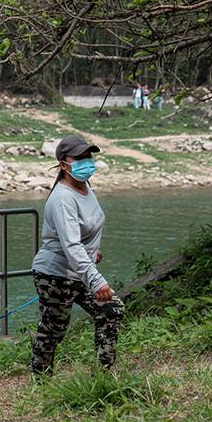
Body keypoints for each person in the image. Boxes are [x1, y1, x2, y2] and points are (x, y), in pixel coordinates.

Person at [30, 135, 124, 375]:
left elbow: (84, 230)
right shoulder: (63, 198)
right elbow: (70, 245)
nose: (86, 163)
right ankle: (40, 380)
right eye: (79, 158)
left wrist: (93, 250)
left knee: (111, 309)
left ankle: (104, 373)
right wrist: (96, 280)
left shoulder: (85, 186)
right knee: (54, 330)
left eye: (88, 157)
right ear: (64, 164)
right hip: (55, 276)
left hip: (79, 269)